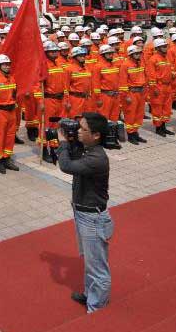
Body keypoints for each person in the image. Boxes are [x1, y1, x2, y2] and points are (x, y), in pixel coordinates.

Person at [57, 112, 113, 313]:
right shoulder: (88, 149)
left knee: (97, 267)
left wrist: (62, 143)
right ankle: (91, 295)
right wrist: (71, 143)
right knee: (90, 262)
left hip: (93, 219)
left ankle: (97, 309)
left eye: (83, 130)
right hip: (83, 214)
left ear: (96, 135)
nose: (78, 132)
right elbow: (73, 157)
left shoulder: (97, 158)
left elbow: (66, 165)